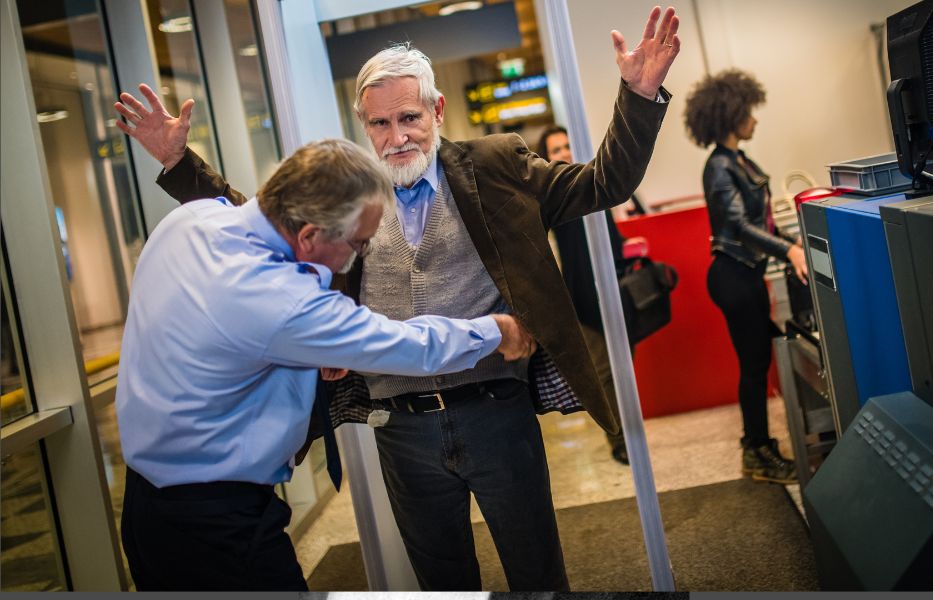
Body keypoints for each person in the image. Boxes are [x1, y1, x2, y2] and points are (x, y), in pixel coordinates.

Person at [115, 5, 681, 590]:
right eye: (380, 124)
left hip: (496, 412)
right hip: (402, 429)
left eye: (409, 117)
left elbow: (602, 183)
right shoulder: (350, 196)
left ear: (437, 110)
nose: (397, 137)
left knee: (535, 570)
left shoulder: (493, 166)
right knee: (442, 582)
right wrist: (179, 163)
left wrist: (639, 96)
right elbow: (267, 219)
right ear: (363, 124)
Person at [115, 139, 536, 591]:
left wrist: (306, 355)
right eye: (359, 243)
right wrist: (496, 331)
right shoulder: (281, 299)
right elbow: (408, 344)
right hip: (216, 526)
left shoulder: (189, 220)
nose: (360, 256)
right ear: (310, 236)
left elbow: (219, 340)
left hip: (145, 507)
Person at [682, 69, 807, 484]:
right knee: (753, 366)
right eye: (748, 112)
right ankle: (756, 452)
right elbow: (739, 227)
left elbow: (762, 222)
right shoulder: (720, 167)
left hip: (745, 273)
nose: (754, 119)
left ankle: (758, 446)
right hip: (733, 276)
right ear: (730, 116)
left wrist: (793, 241)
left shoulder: (739, 161)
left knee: (758, 361)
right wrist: (789, 250)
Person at [537, 125, 632, 465]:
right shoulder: (550, 198)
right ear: (546, 158)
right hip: (581, 300)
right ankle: (618, 439)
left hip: (614, 292)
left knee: (624, 367)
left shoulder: (594, 183)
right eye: (555, 149)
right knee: (603, 372)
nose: (563, 152)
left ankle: (632, 432)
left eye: (566, 145)